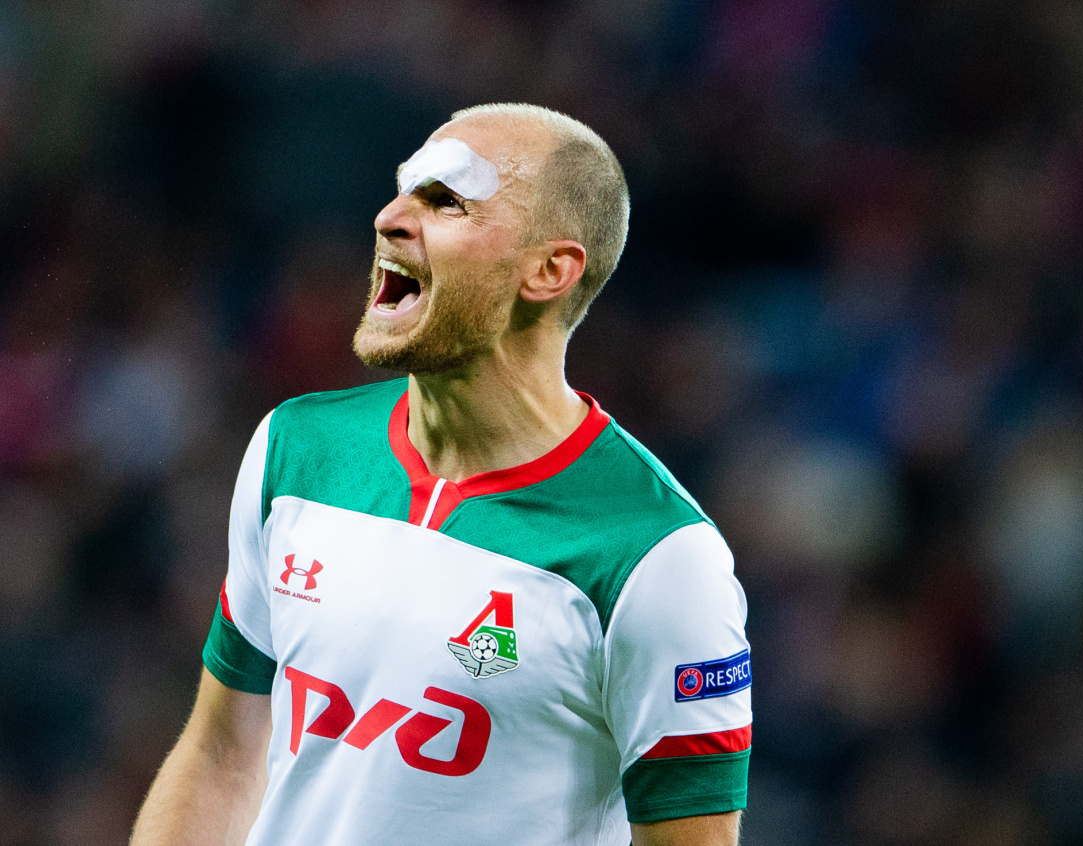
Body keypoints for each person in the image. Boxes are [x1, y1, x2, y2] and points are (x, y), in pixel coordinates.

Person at [130, 103, 751, 846]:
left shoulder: (656, 556)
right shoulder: (297, 449)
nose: (389, 218)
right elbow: (223, 754)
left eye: (446, 201)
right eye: (402, 191)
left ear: (549, 270)